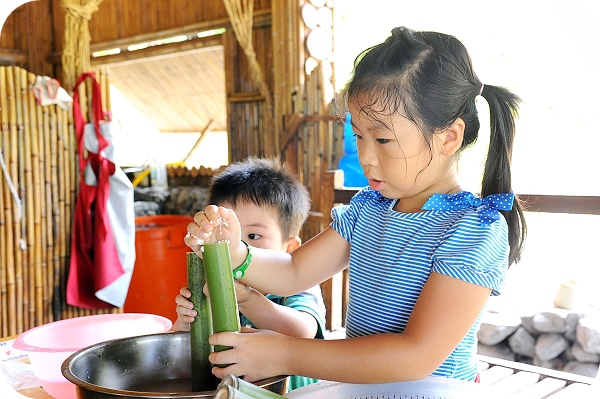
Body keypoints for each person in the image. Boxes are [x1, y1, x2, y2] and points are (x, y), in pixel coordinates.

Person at [185, 26, 527, 384]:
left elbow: (416, 355)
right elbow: (293, 272)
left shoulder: (473, 229)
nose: (366, 156)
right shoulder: (370, 209)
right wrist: (236, 253)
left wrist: (284, 353)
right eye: (359, 136)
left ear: (448, 137)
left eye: (383, 139)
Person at [172, 157, 326, 391]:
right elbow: (176, 350)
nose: (236, 246)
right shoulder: (209, 284)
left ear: (290, 249)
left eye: (253, 237)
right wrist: (186, 323)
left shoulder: (298, 284)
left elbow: (302, 332)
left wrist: (246, 299)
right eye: (226, 237)